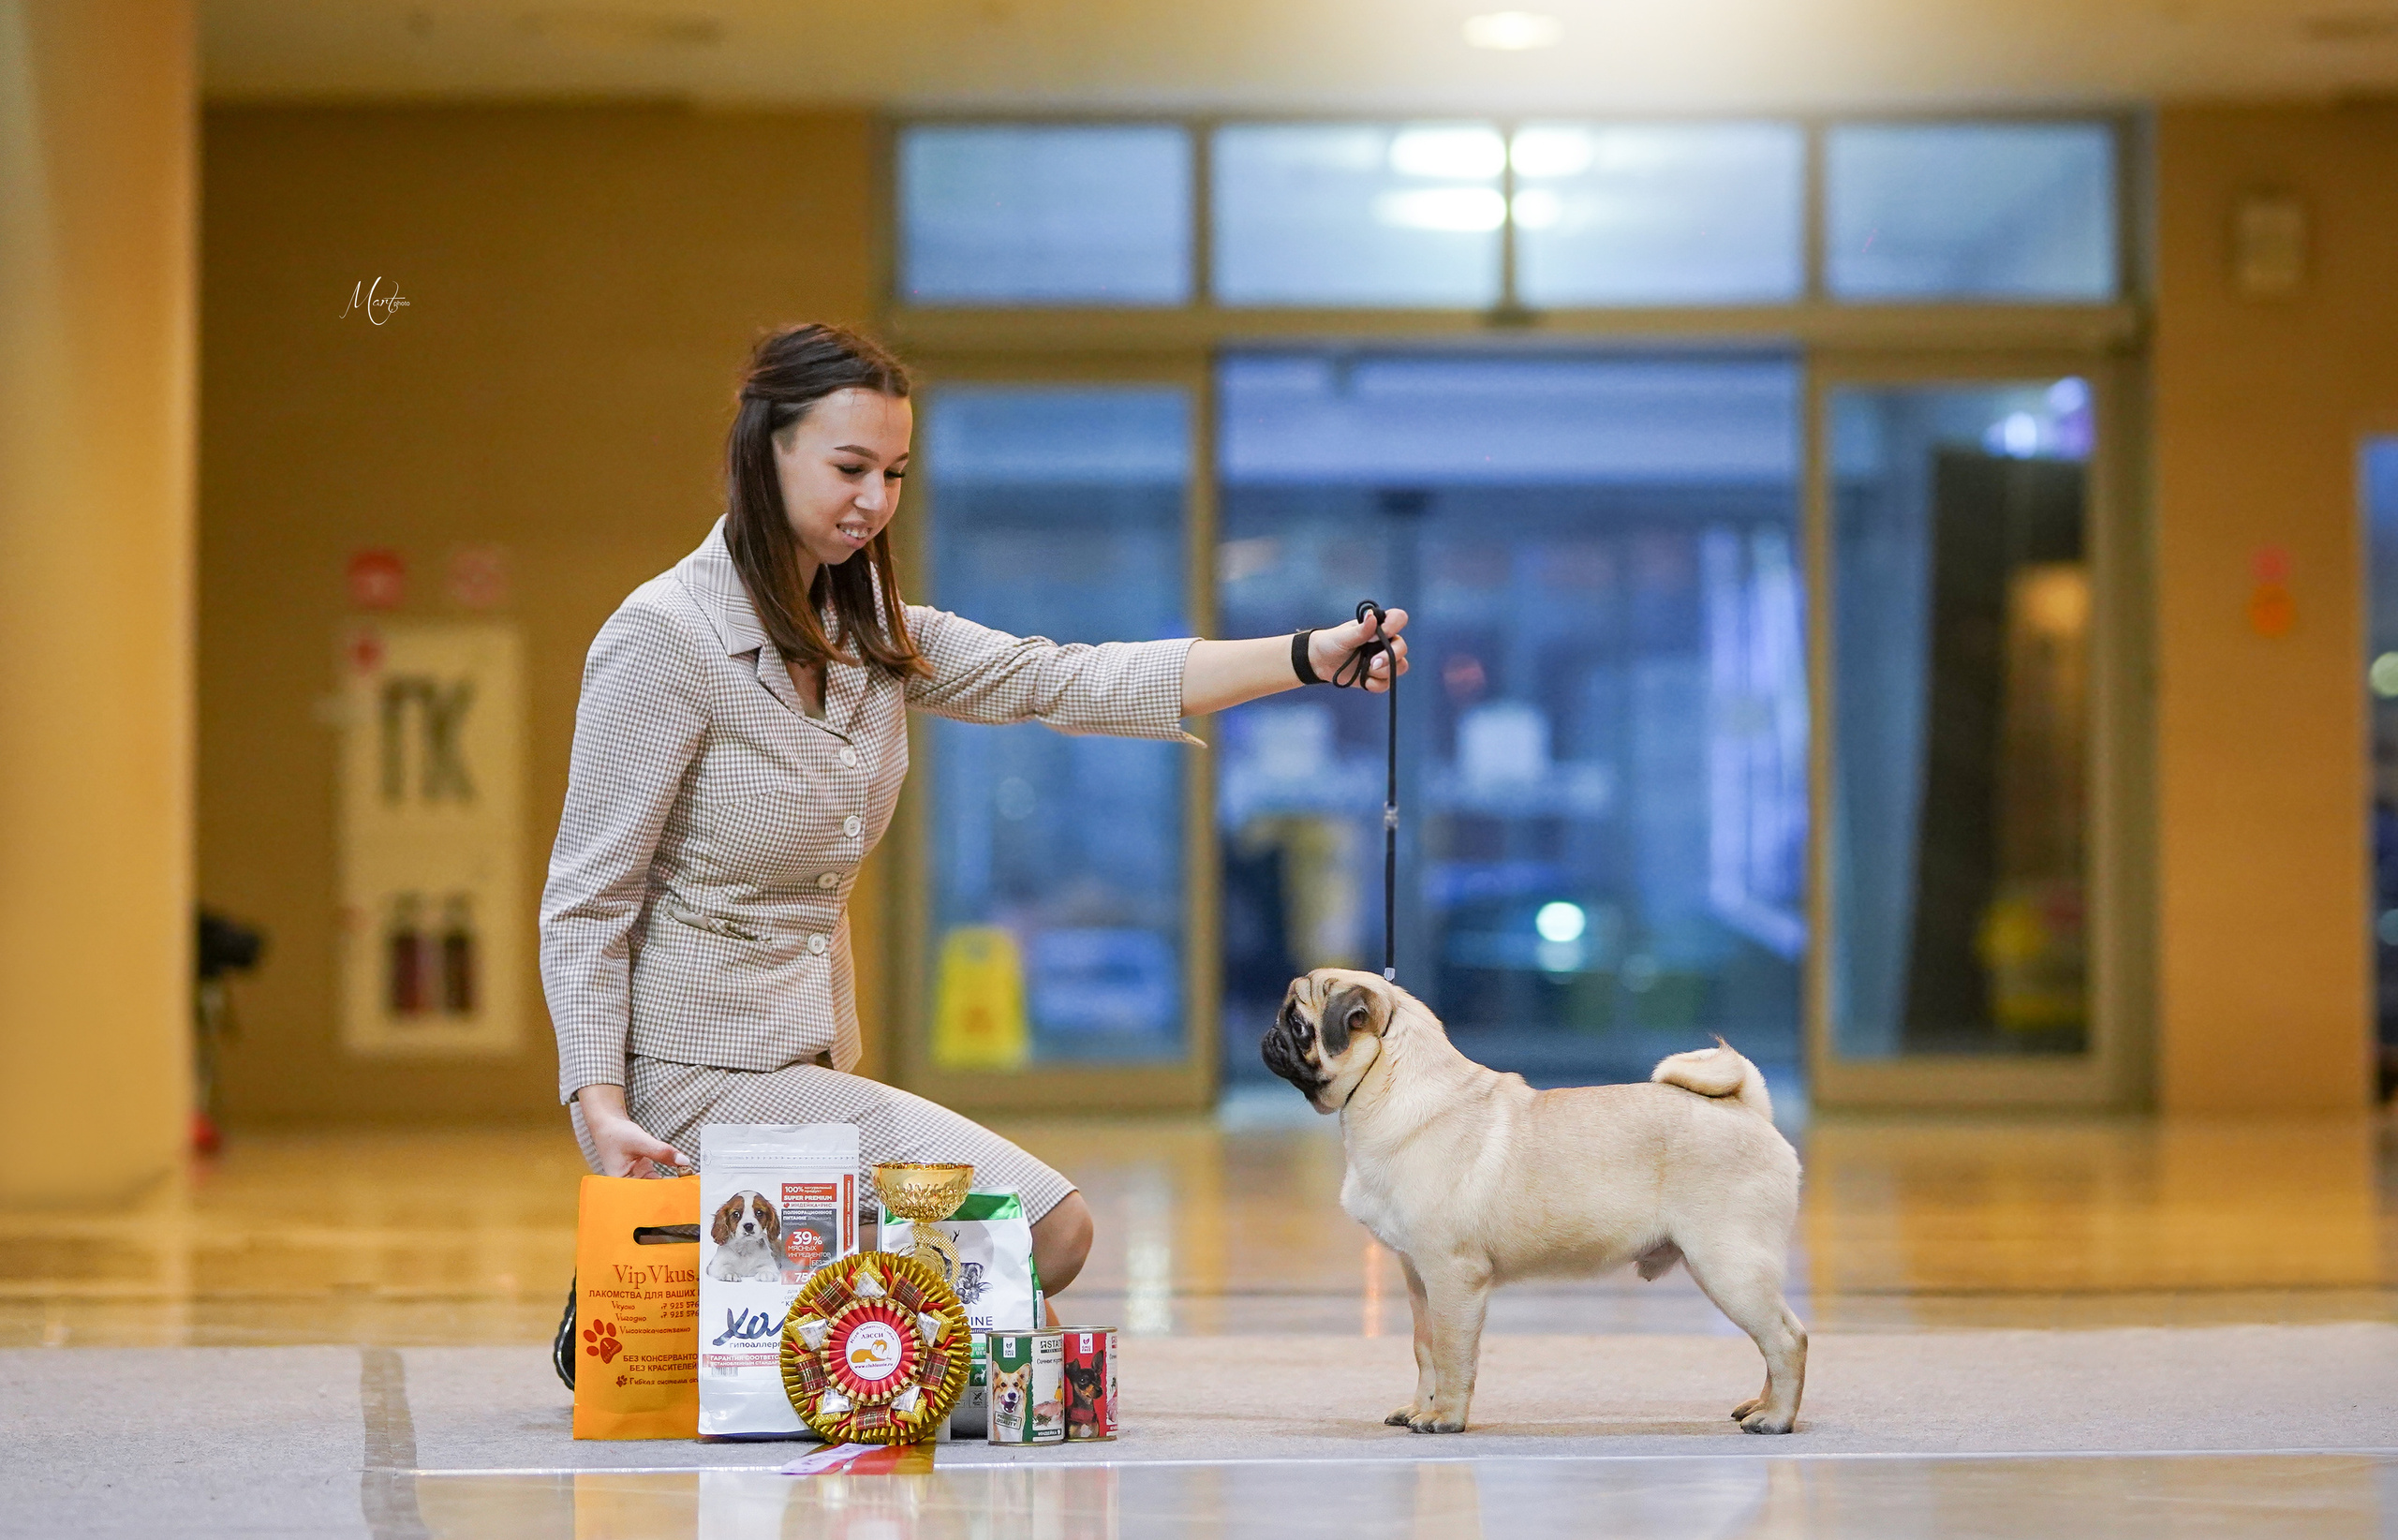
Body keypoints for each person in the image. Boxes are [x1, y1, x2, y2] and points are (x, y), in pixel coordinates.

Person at [540, 321, 1407, 1310]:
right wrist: (599, 1107)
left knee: (1020, 1248)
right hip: (691, 1080)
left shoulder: (867, 632)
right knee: (1045, 1232)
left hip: (810, 1057)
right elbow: (585, 902)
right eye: (849, 467)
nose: (874, 501)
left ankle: (719, 1298)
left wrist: (1306, 655)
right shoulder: (661, 639)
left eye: (896, 473)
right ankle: (710, 1275)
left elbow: (1066, 678)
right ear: (764, 452)